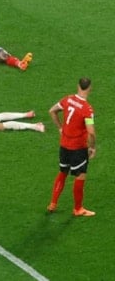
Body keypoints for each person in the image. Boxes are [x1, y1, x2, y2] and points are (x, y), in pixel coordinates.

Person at [46, 78, 96, 217]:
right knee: (80, 176)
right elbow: (91, 132)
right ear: (89, 88)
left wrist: (60, 128)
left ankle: (53, 203)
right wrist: (92, 147)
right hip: (78, 148)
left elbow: (52, 111)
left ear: (78, 86)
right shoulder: (87, 109)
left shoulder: (67, 99)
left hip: (64, 145)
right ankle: (78, 209)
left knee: (63, 172)